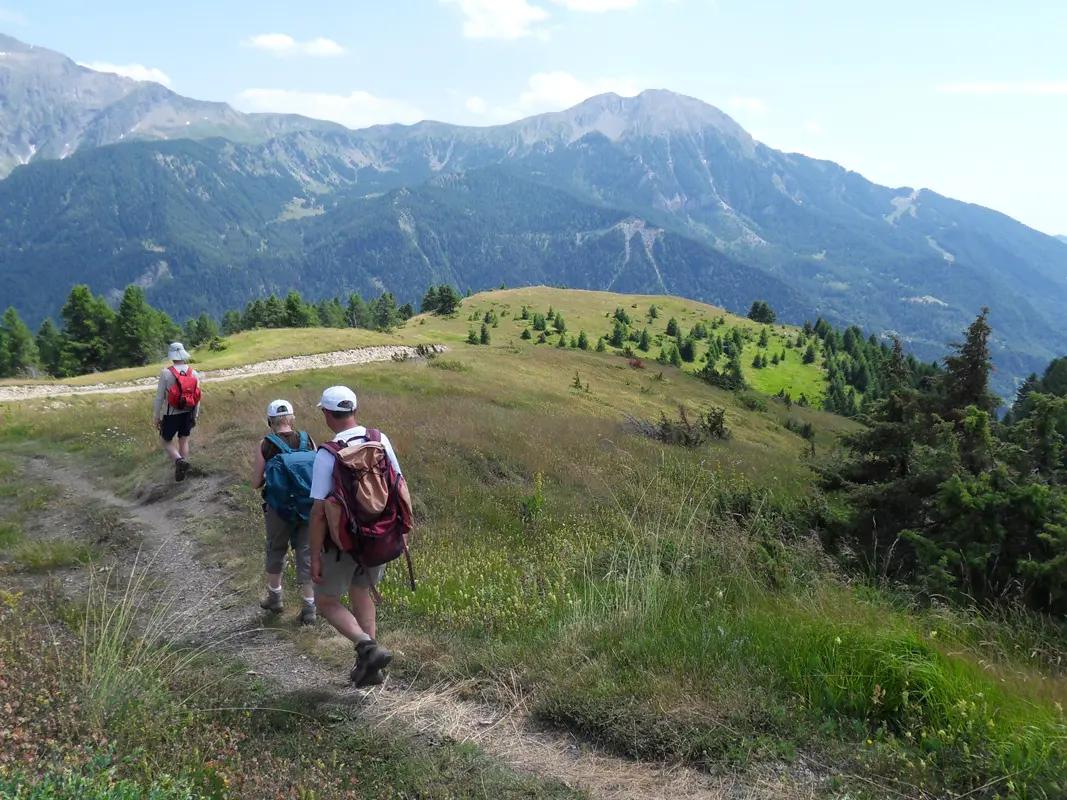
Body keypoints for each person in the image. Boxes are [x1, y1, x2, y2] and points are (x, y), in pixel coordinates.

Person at [309, 385, 402, 687]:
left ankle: (367, 646)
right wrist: (400, 530)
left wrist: (313, 557)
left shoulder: (327, 453)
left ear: (326, 414)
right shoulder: (379, 439)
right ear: (355, 410)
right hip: (380, 533)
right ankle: (369, 667)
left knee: (325, 600)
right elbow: (398, 486)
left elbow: (320, 512)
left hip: (343, 542)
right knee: (362, 590)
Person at [251, 399, 317, 625]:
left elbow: (255, 482)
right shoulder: (309, 441)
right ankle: (310, 607)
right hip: (307, 507)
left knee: (276, 548)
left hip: (278, 507)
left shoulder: (266, 444)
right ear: (291, 418)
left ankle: (275, 597)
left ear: (271, 421)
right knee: (306, 553)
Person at [153, 342, 201, 482]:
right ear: (184, 354)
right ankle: (183, 472)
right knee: (183, 441)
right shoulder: (194, 373)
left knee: (166, 441)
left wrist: (156, 417)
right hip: (187, 412)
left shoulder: (166, 373)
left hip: (170, 414)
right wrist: (195, 415)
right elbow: (197, 397)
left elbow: (159, 398)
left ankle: (179, 460)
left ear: (172, 355)